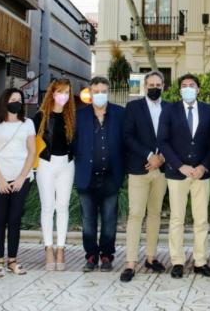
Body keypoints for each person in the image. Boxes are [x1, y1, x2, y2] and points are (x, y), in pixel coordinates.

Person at [158, 73, 210, 278]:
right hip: (177, 174)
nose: (188, 88)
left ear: (198, 89)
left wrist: (204, 166)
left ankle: (200, 261)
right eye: (184, 85)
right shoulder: (169, 110)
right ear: (179, 90)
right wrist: (179, 165)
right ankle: (177, 261)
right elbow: (163, 141)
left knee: (201, 220)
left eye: (192, 85)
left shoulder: (208, 110)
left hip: (201, 174)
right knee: (177, 219)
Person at [121, 70, 170, 282]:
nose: (154, 88)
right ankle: (130, 263)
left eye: (158, 85)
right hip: (139, 168)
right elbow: (127, 136)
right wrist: (150, 155)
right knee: (135, 215)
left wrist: (162, 157)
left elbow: (174, 137)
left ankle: (151, 257)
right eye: (151, 85)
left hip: (162, 170)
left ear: (163, 86)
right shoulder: (133, 107)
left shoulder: (170, 108)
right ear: (144, 87)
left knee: (155, 214)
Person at [74, 77, 126, 271]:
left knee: (109, 220)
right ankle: (91, 256)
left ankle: (106, 256)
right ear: (90, 93)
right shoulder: (80, 116)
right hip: (86, 177)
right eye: (96, 92)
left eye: (103, 91)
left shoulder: (119, 114)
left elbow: (125, 142)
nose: (100, 95)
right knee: (88, 221)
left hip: (111, 177)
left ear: (108, 92)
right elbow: (74, 143)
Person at [0, 88, 36, 277]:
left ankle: (12, 261)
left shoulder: (28, 123)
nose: (17, 102)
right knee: (0, 219)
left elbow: (32, 152)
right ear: (5, 101)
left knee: (14, 219)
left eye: (19, 100)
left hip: (21, 179)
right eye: (13, 99)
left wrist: (22, 177)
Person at [33, 79, 76, 271]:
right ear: (52, 93)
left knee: (63, 207)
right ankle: (48, 248)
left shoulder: (72, 116)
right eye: (60, 92)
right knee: (48, 206)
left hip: (67, 164)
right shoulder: (41, 116)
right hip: (46, 164)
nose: (63, 96)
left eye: (66, 92)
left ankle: (61, 248)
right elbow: (30, 141)